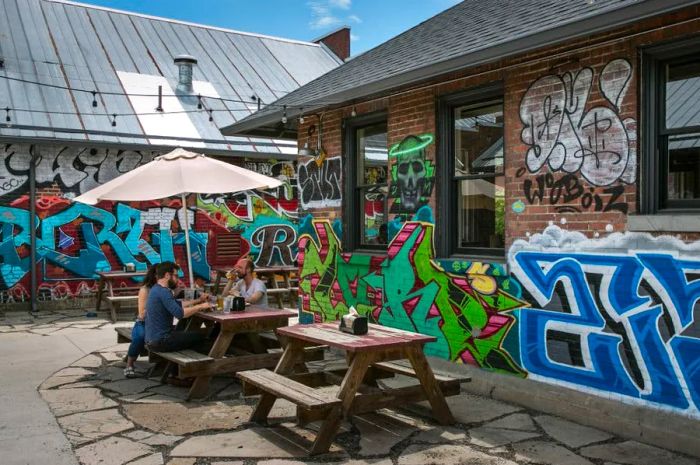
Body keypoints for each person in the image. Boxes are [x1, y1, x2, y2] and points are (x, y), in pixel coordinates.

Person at [144, 261, 211, 355]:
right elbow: (180, 314)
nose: (178, 279)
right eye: (176, 276)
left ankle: (180, 366)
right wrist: (201, 306)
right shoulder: (164, 292)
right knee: (202, 336)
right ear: (167, 275)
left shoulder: (156, 289)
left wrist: (198, 300)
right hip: (161, 341)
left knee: (189, 334)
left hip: (152, 340)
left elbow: (177, 304)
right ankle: (198, 365)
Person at [123, 265, 157, 378]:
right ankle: (129, 364)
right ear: (155, 276)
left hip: (159, 323)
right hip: (144, 323)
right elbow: (142, 314)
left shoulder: (168, 288)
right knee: (140, 337)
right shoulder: (145, 289)